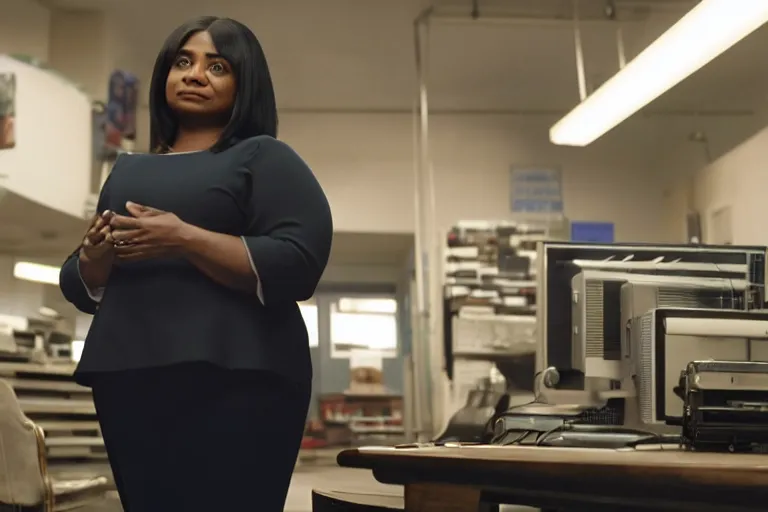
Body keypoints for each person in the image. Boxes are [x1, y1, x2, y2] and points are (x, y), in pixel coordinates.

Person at [58, 16, 333, 512]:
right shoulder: (127, 169)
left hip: (243, 376)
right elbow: (82, 282)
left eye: (217, 65)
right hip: (129, 373)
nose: (194, 74)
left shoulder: (265, 158)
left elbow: (300, 260)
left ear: (245, 83)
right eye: (182, 62)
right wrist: (95, 260)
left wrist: (185, 238)